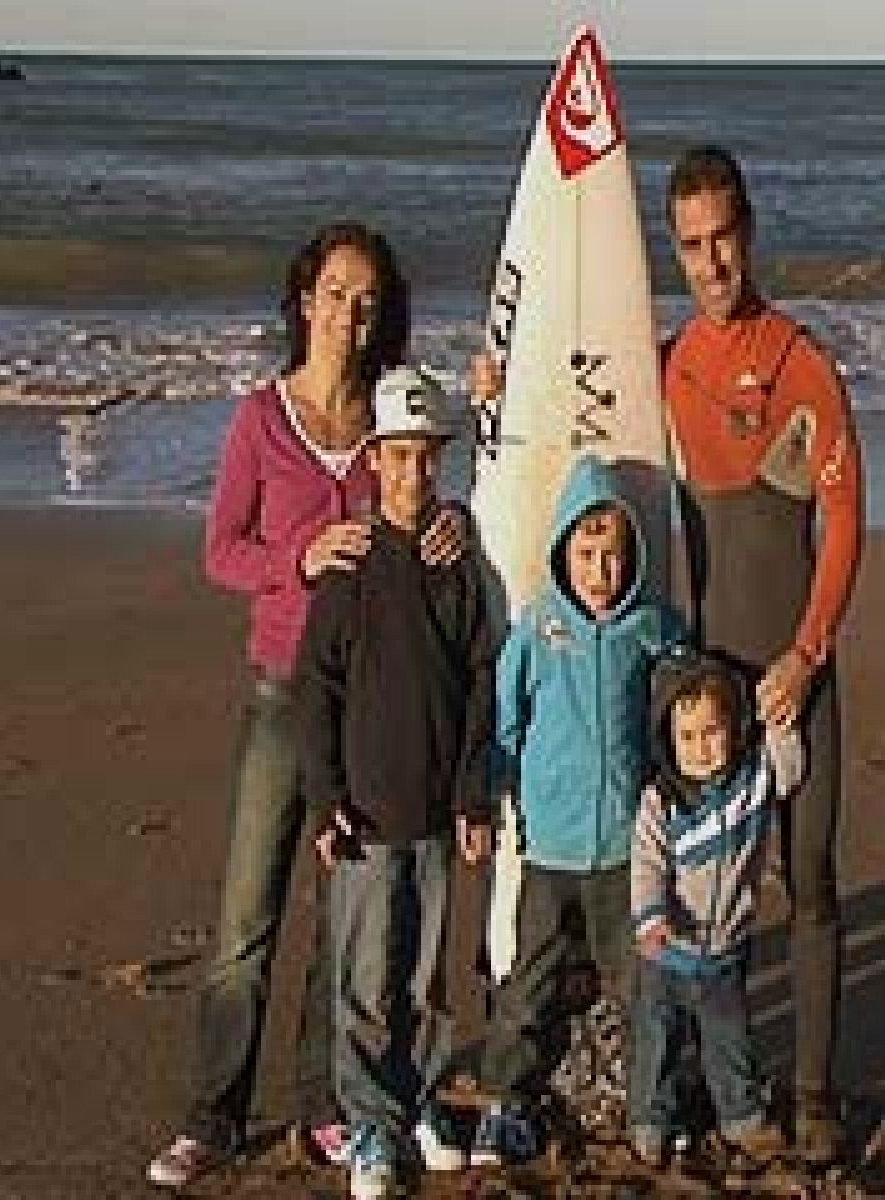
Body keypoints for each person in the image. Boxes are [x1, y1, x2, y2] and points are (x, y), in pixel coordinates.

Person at [146, 223, 466, 1189]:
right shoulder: (260, 420)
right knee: (249, 915)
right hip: (285, 692)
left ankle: (329, 1106)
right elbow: (221, 552)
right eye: (335, 293)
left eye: (367, 299)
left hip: (374, 708)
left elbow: (431, 492)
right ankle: (214, 1116)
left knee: (347, 923)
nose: (350, 314)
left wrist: (450, 518)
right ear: (304, 301)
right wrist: (298, 560)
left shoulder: (391, 420)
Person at [661, 143, 864, 1162]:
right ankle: (723, 1073)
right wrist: (490, 385)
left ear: (750, 229)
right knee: (710, 892)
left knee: (811, 871)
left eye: (723, 237)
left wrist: (804, 656)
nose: (711, 261)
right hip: (712, 691)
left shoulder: (804, 363)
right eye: (691, 245)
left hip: (795, 676)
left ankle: (817, 1087)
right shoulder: (667, 369)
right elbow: (567, 422)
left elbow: (844, 523)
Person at [294, 366, 495, 1200]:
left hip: (439, 811)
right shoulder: (348, 563)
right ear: (374, 459)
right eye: (399, 457)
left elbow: (482, 676)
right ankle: (370, 1124)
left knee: (425, 977)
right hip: (367, 816)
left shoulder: (455, 561)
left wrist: (474, 795)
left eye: (426, 458)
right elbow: (315, 688)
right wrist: (324, 796)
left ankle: (418, 1102)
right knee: (367, 978)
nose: (414, 474)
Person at [469, 455, 686, 1166]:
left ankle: (656, 1099)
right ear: (564, 550)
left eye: (615, 557)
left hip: (624, 851)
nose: (603, 572)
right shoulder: (538, 629)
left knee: (638, 985)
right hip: (550, 849)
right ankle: (506, 1101)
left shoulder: (648, 627)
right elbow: (506, 718)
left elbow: (683, 685)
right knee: (530, 985)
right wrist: (494, 798)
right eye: (588, 555)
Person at [627, 649, 800, 1168]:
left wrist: (781, 727)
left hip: (726, 949)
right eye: (688, 737)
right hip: (666, 953)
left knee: (729, 1041)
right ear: (668, 741)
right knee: (656, 1043)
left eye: (712, 732)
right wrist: (650, 917)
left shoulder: (750, 784)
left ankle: (741, 1116)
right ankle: (649, 1122)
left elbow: (787, 771)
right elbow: (647, 864)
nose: (702, 748)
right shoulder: (662, 801)